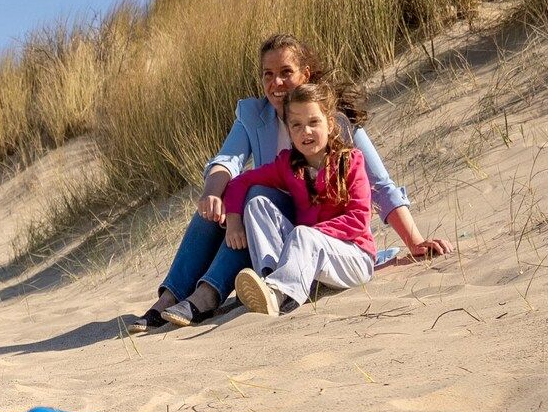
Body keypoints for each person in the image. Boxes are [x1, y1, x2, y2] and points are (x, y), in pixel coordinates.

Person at [144, 32, 448, 328]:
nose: (276, 83)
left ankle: (209, 294)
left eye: (285, 72)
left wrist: (416, 241)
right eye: (268, 74)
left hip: (316, 233)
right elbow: (229, 164)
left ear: (305, 74)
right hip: (277, 228)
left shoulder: (335, 124)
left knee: (257, 195)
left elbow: (379, 185)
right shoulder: (256, 117)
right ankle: (171, 296)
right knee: (224, 202)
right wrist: (217, 199)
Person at [220, 80, 376, 316]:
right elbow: (240, 181)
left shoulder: (350, 161)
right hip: (308, 255)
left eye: (314, 122)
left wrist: (309, 235)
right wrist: (233, 219)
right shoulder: (289, 165)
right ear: (288, 129)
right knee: (258, 204)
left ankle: (278, 293)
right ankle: (268, 279)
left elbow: (358, 220)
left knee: (304, 235)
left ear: (330, 123)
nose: (306, 132)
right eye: (297, 125)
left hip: (354, 257)